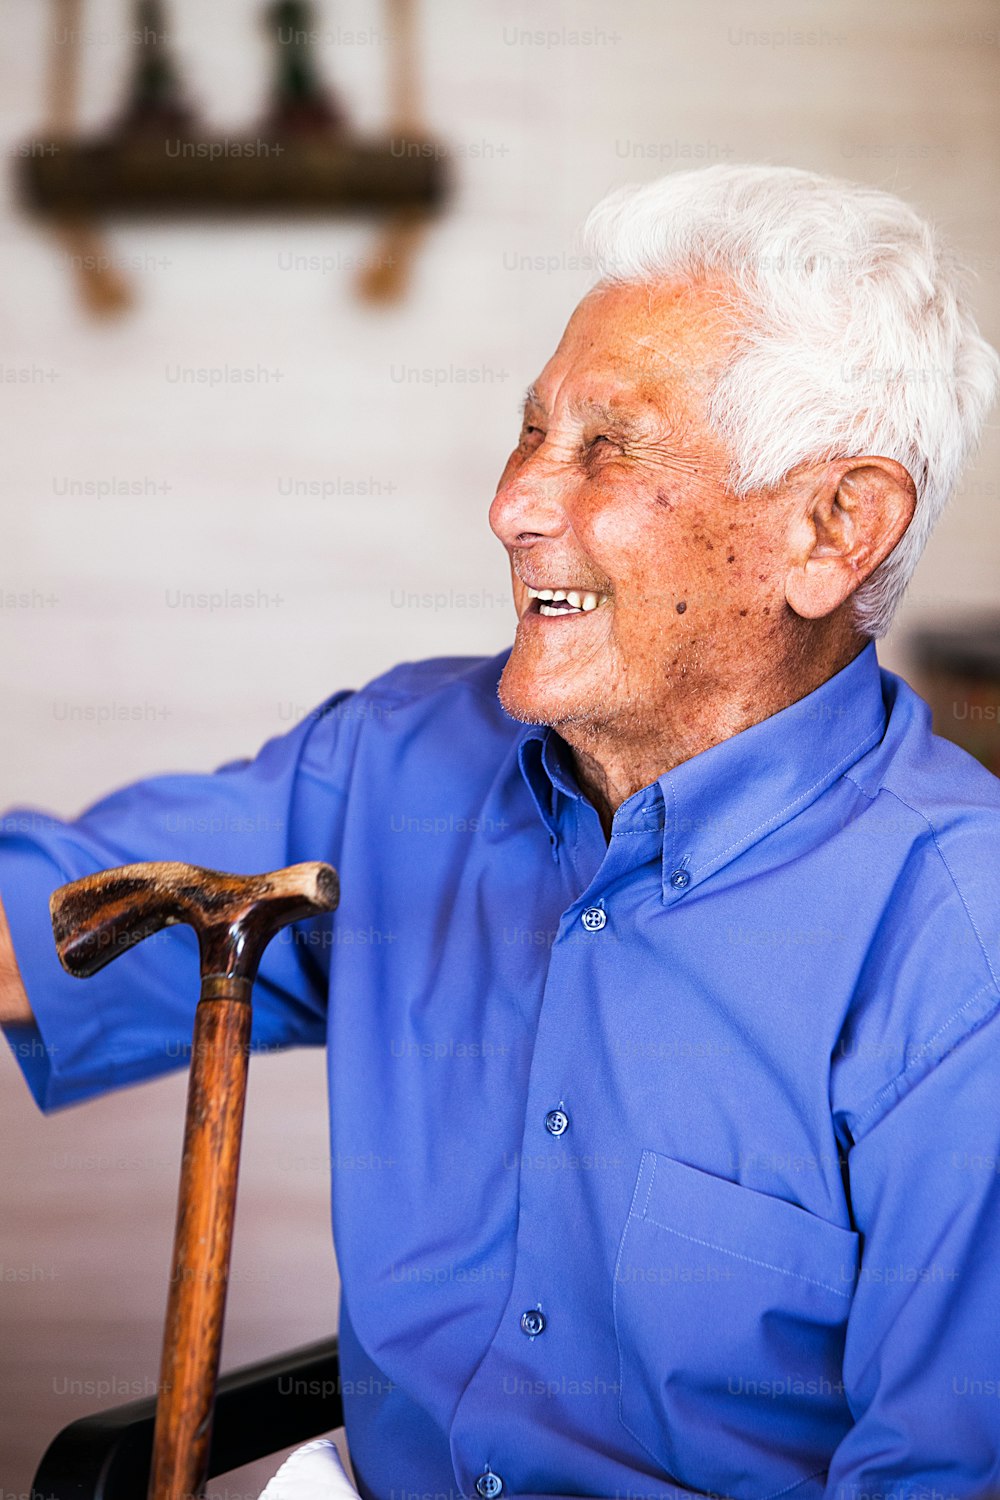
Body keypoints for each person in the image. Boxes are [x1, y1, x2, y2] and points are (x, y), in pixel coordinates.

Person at [3, 163, 1000, 1500]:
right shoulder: (404, 763)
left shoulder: (960, 942)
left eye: (606, 447)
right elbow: (45, 925)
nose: (515, 502)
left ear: (831, 529)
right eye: (531, 434)